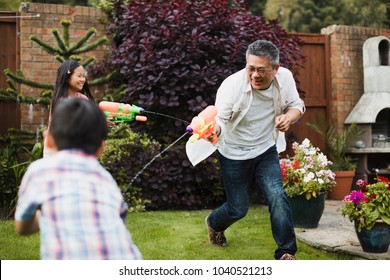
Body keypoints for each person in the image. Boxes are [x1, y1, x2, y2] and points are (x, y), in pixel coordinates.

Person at [204, 40, 305, 260]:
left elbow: (297, 106)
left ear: (275, 69)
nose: (255, 75)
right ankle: (214, 223)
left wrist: (288, 117)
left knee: (277, 195)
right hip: (233, 152)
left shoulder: (285, 78)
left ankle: (286, 252)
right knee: (238, 209)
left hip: (265, 149)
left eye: (262, 70)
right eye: (250, 68)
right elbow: (220, 119)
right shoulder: (231, 86)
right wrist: (214, 131)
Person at [15, 98, 142, 260]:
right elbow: (118, 217)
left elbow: (22, 226)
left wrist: (46, 213)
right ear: (101, 149)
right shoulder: (104, 177)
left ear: (50, 139)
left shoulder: (40, 170)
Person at [43, 59, 94, 157]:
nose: (83, 79)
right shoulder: (60, 102)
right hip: (56, 150)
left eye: (84, 76)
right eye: (79, 76)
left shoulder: (83, 99)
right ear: (67, 78)